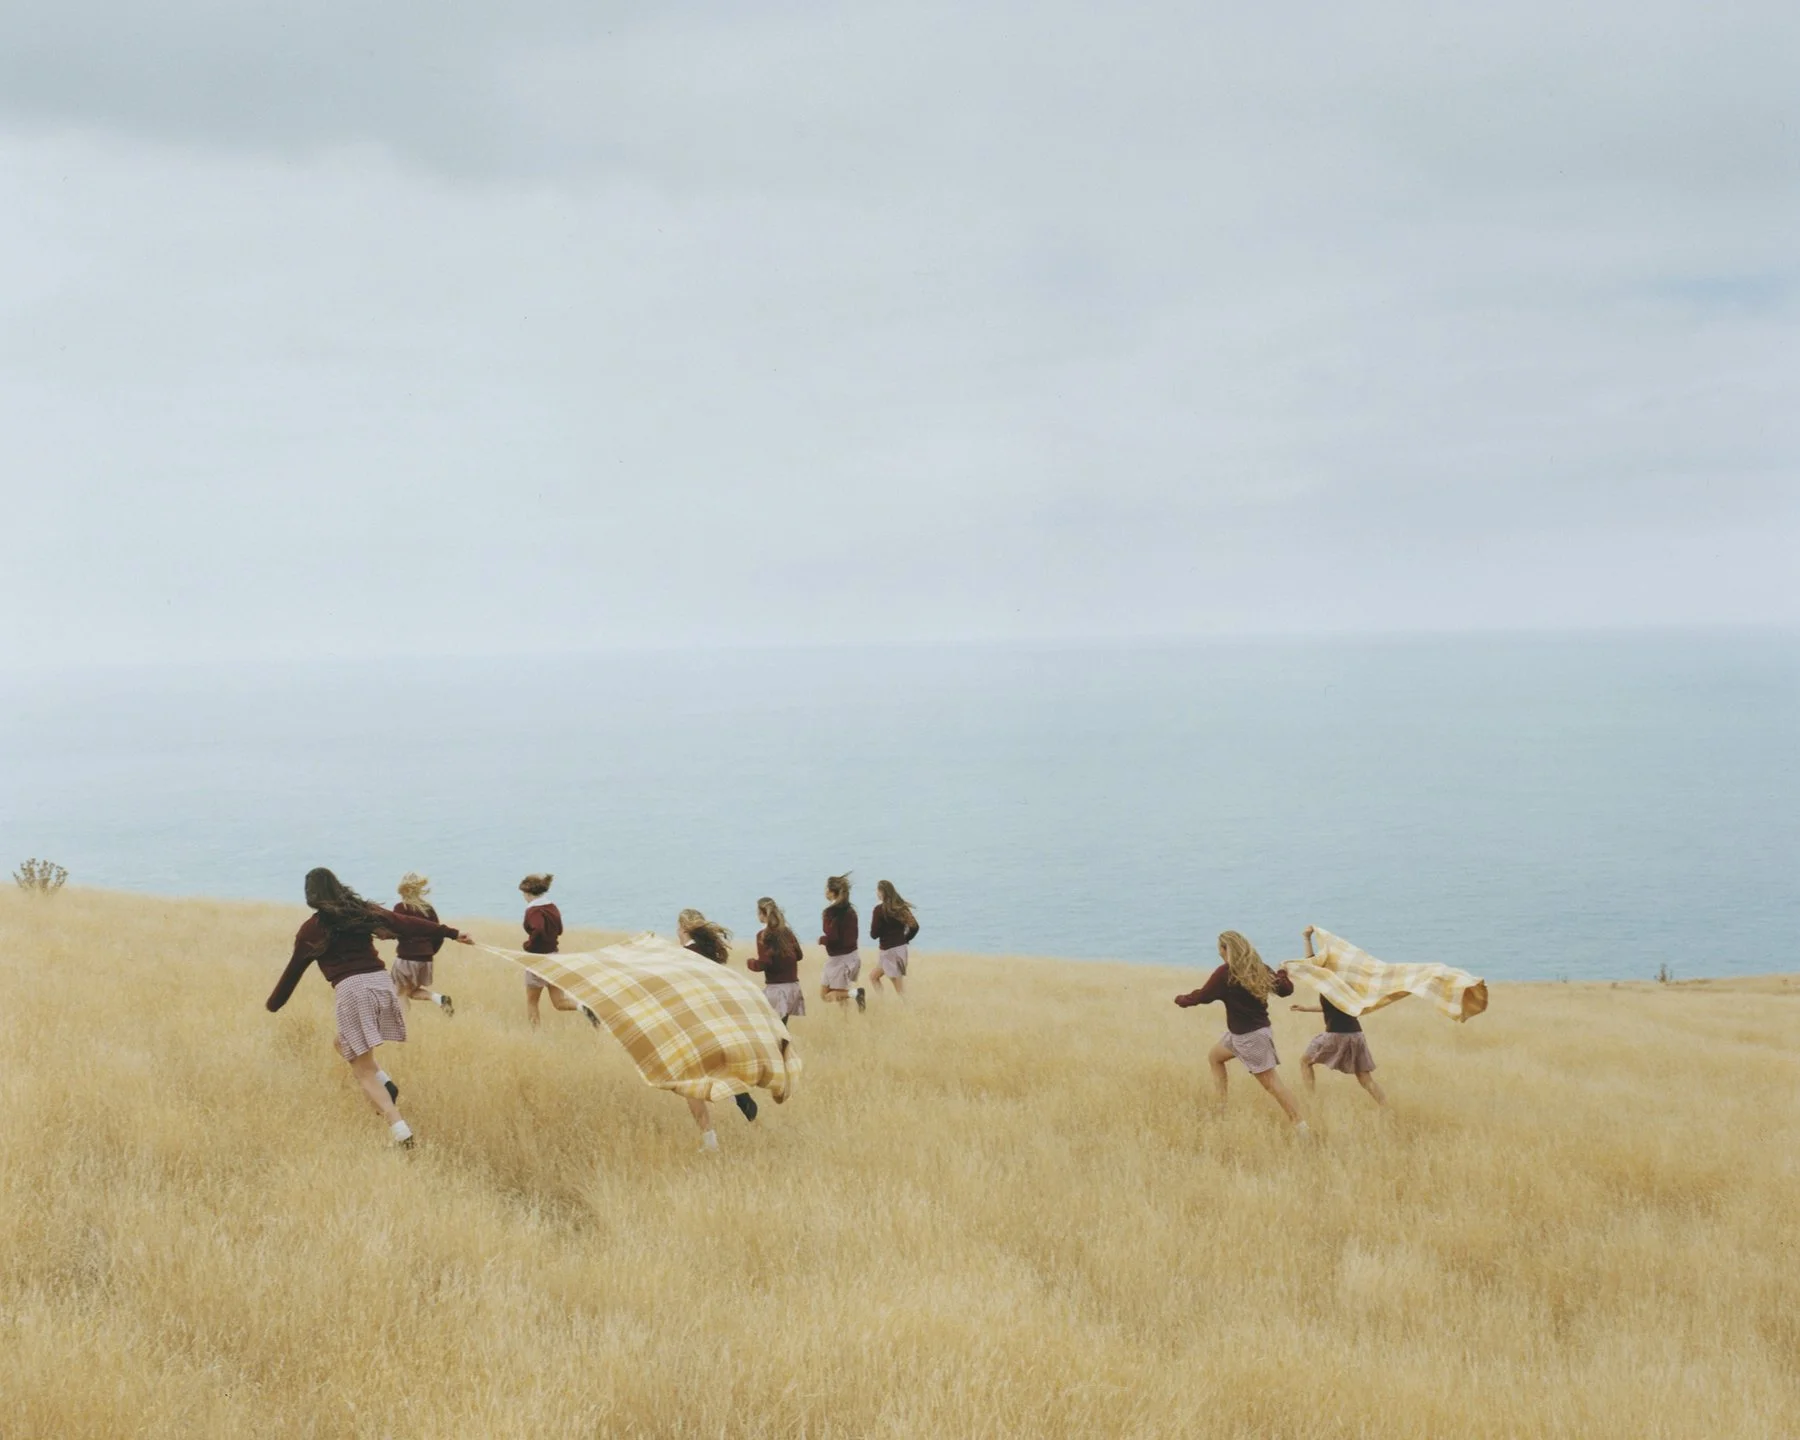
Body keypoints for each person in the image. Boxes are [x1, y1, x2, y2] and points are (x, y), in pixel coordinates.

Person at [265, 867, 472, 1147]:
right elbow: (406, 923)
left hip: (353, 990)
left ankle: (399, 1129)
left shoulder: (311, 929)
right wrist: (451, 932)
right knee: (342, 1043)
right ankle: (386, 1082)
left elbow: (294, 970)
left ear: (311, 895)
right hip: (381, 982)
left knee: (361, 1069)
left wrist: (274, 1004)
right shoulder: (360, 911)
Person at [1174, 930, 1308, 1134]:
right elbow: (1285, 990)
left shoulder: (1225, 973)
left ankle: (1301, 1126)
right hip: (1242, 1035)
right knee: (1215, 1057)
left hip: (1250, 1038)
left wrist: (1181, 999)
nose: (1219, 952)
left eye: (1220, 948)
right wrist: (1281, 973)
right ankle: (1220, 1109)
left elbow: (1203, 996)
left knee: (1272, 1084)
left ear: (1226, 949)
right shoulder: (1260, 968)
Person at [677, 907, 756, 1142]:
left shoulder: (683, 955)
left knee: (688, 1084)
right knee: (708, 1070)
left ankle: (709, 1140)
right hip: (716, 1020)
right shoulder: (711, 952)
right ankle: (735, 1093)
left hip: (693, 1024)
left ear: (682, 929)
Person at [1290, 925, 1387, 1107]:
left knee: (1304, 1062)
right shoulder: (1347, 985)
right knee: (1365, 1078)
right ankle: (1385, 1107)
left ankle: (1311, 1102)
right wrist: (1305, 1008)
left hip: (1337, 1035)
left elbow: (1311, 963)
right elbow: (1333, 1008)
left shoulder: (1329, 983)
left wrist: (1306, 938)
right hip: (1356, 1036)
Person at [520, 874, 598, 1029]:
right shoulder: (552, 907)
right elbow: (560, 930)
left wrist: (528, 945)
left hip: (538, 960)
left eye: (523, 894)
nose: (523, 897)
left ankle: (535, 1036)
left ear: (528, 893)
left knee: (532, 1002)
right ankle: (584, 1007)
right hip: (555, 958)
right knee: (559, 1002)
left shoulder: (533, 910)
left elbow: (539, 928)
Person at [387, 871, 453, 1016]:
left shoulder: (401, 907)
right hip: (426, 959)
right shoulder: (428, 909)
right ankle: (439, 999)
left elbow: (395, 929)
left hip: (407, 958)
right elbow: (438, 933)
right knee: (411, 991)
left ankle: (404, 1025)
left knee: (400, 992)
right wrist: (429, 951)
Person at [747, 897, 806, 1023]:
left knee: (767, 1025)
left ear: (763, 915)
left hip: (776, 989)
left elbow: (764, 963)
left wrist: (751, 963)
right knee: (782, 1028)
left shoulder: (763, 935)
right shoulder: (787, 932)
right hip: (792, 987)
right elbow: (799, 955)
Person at [818, 873, 866, 1014]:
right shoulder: (851, 911)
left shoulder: (830, 913)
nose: (825, 891)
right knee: (829, 994)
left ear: (832, 893)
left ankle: (856, 994)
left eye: (827, 889)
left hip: (840, 959)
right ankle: (847, 1020)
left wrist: (822, 940)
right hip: (850, 956)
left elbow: (833, 937)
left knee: (829, 996)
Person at [868, 879, 920, 999]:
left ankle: (907, 1009)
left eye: (878, 891)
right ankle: (883, 1003)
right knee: (874, 977)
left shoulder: (878, 910)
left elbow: (874, 934)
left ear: (882, 892)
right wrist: (905, 939)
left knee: (899, 989)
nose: (877, 893)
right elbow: (915, 927)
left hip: (888, 952)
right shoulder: (901, 907)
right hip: (900, 949)